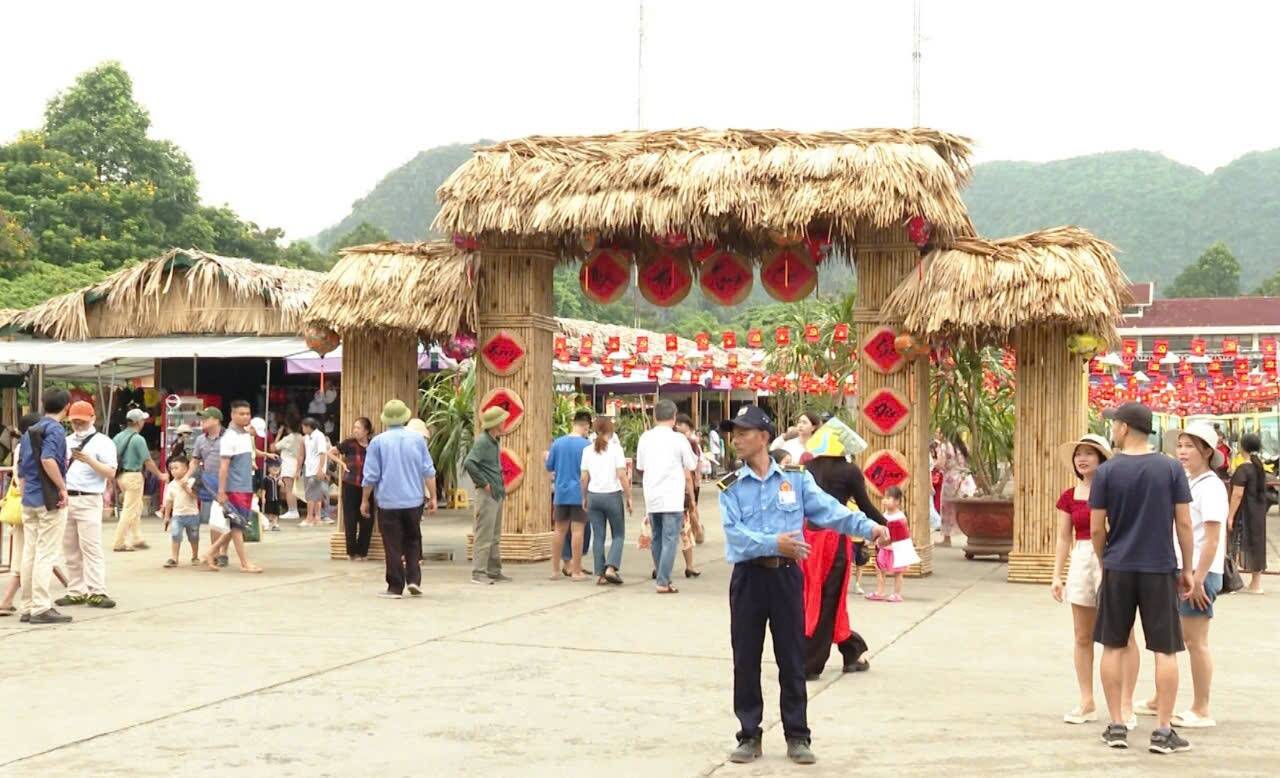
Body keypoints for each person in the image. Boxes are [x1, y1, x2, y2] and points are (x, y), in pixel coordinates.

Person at [719, 405, 890, 765]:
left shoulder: (796, 479)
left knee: (792, 657)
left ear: (764, 437)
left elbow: (831, 511)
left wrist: (868, 527)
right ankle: (749, 734)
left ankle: (798, 735)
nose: (736, 439)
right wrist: (772, 543)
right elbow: (735, 537)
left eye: (743, 432)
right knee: (745, 659)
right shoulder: (730, 487)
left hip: (785, 577)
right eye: (733, 433)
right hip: (748, 578)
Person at [1090, 402, 1194, 754]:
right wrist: (1188, 568)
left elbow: (1095, 528)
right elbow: (1183, 523)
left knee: (1113, 645)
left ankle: (1117, 724)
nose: (1112, 430)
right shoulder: (1170, 469)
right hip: (1159, 567)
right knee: (1165, 649)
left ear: (1123, 428)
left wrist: (1107, 560)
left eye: (1114, 424)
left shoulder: (1107, 472)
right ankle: (1163, 730)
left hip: (1119, 566)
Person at [1137, 422, 1228, 729]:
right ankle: (1158, 698)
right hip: (1180, 569)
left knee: (1195, 641)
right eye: (1181, 445)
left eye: (1190, 446)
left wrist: (1198, 577)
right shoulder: (1191, 482)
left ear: (1207, 451)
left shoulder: (1212, 486)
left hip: (1200, 573)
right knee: (1171, 637)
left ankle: (1202, 708)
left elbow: (1212, 537)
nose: (1183, 451)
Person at [1049, 434, 1140, 727]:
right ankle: (1086, 700)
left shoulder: (1116, 491)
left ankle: (1126, 704)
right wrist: (1056, 575)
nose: (1082, 458)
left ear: (1102, 459)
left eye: (1090, 453)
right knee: (1082, 635)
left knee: (1124, 635)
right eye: (1079, 454)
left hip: (1113, 557)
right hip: (1082, 559)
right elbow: (1064, 537)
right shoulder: (1068, 495)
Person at [799, 416, 883, 678]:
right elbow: (866, 507)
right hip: (834, 539)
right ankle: (811, 663)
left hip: (806, 538)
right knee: (829, 599)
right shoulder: (849, 471)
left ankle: (851, 649)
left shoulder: (807, 469)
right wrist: (888, 527)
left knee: (810, 596)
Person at [361, 400, 438, 599]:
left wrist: (365, 500)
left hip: (388, 502)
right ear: (405, 417)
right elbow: (428, 471)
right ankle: (414, 580)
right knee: (413, 540)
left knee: (392, 544)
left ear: (385, 419)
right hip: (414, 501)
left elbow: (370, 476)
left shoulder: (378, 442)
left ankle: (395, 587)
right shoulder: (418, 440)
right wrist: (434, 497)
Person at [55, 401, 118, 610]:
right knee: (70, 547)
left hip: (89, 498)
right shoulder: (65, 441)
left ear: (92, 418)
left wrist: (89, 460)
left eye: (82, 420)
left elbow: (110, 472)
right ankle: (76, 590)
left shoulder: (103, 442)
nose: (78, 424)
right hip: (67, 498)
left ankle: (97, 590)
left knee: (91, 547)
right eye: (74, 421)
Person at [18, 389, 73, 624]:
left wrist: (25, 494)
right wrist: (62, 488)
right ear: (67, 407)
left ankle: (27, 605)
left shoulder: (30, 430)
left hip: (29, 497)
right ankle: (41, 607)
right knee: (45, 553)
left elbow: (21, 467)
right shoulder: (55, 429)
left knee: (29, 552)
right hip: (48, 498)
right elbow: (48, 459)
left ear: (43, 404)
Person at [635, 399, 697, 594]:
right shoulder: (679, 439)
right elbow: (692, 464)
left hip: (652, 495)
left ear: (654, 416)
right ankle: (663, 580)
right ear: (674, 416)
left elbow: (640, 466)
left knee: (657, 537)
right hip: (672, 496)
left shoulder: (645, 437)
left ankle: (662, 575)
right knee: (670, 539)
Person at [201, 400, 264, 574]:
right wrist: (221, 491)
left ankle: (210, 552)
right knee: (237, 526)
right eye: (241, 413)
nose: (245, 416)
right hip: (235, 488)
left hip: (245, 486)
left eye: (248, 413)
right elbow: (223, 467)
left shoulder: (244, 434)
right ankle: (244, 562)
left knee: (236, 525)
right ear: (232, 415)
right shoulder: (229, 437)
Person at [464, 406, 510, 585]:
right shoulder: (483, 441)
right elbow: (469, 463)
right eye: (502, 421)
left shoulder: (493, 441)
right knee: (484, 534)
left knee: (494, 535)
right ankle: (479, 572)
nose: (505, 423)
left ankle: (494, 570)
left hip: (496, 494)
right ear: (496, 424)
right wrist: (484, 483)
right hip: (487, 494)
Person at [581, 416, 630, 585]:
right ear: (611, 430)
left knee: (599, 536)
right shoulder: (616, 450)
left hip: (594, 496)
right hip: (612, 496)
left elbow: (584, 477)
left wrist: (584, 497)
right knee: (618, 534)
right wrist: (629, 496)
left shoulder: (587, 450)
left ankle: (600, 574)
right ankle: (611, 568)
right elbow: (622, 475)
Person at [111, 407, 167, 552]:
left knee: (136, 506)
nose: (144, 422)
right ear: (137, 422)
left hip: (121, 475)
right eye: (142, 419)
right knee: (130, 509)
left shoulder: (118, 437)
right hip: (134, 476)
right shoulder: (138, 439)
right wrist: (160, 475)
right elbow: (147, 461)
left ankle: (137, 538)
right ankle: (119, 542)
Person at [547, 410, 593, 581]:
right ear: (586, 426)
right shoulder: (586, 446)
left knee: (559, 530)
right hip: (579, 494)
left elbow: (549, 466)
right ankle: (576, 571)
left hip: (560, 492)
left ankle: (555, 571)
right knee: (577, 531)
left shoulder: (557, 443)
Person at [328, 417, 375, 560]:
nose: (355, 430)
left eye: (358, 428)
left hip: (368, 486)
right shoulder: (349, 444)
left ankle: (363, 552)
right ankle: (351, 553)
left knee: (367, 520)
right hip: (350, 485)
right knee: (350, 519)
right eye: (354, 427)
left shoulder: (374, 445)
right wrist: (342, 464)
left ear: (366, 431)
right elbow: (330, 452)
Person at [1228, 432, 1268, 593]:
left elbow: (1237, 494)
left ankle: (1233, 582)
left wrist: (1230, 516)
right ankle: (1256, 584)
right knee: (1257, 544)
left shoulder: (1243, 468)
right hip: (1258, 512)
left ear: (1242, 446)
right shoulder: (1259, 467)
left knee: (1235, 543)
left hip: (1243, 513)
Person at [867, 486, 918, 603]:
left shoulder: (900, 517)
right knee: (879, 569)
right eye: (885, 497)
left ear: (897, 501)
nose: (885, 500)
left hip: (896, 549)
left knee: (898, 572)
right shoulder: (884, 515)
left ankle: (897, 594)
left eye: (888, 498)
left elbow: (903, 535)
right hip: (884, 548)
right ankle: (880, 592)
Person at [190, 408, 227, 567]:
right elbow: (195, 460)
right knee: (215, 519)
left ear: (217, 420)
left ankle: (221, 552)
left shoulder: (229, 438)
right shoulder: (200, 440)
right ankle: (217, 553)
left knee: (228, 520)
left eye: (206, 418)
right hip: (209, 482)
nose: (202, 420)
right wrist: (187, 476)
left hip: (229, 482)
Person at [161, 456, 200, 568]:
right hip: (178, 515)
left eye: (176, 468)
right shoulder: (171, 485)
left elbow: (195, 496)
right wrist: (167, 516)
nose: (173, 471)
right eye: (171, 468)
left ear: (186, 469)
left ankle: (195, 556)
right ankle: (174, 558)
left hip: (192, 514)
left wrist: (186, 488)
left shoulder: (191, 481)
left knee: (194, 536)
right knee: (175, 535)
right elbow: (169, 501)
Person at [933, 428, 968, 547]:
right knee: (964, 509)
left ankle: (947, 539)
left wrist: (934, 463)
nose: (936, 434)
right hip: (964, 479)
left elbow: (940, 464)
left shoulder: (944, 446)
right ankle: (969, 535)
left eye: (938, 432)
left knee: (947, 508)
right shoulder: (960, 445)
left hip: (950, 480)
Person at [676, 413, 705, 550]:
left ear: (687, 425)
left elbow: (696, 462)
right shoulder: (686, 440)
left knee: (691, 507)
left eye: (680, 424)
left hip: (690, 477)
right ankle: (697, 530)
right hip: (689, 477)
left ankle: (698, 530)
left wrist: (697, 478)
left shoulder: (690, 440)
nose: (677, 426)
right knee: (691, 507)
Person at [300, 417, 330, 527]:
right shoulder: (307, 438)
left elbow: (322, 453)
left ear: (308, 427)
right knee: (316, 494)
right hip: (309, 467)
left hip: (316, 469)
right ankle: (317, 518)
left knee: (311, 494)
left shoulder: (319, 436)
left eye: (303, 426)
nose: (302, 428)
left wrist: (320, 469)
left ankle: (309, 518)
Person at [273, 419, 301, 520]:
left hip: (288, 465)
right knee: (293, 489)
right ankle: (294, 510)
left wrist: (279, 434)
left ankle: (292, 511)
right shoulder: (301, 437)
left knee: (289, 490)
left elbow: (273, 448)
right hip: (297, 464)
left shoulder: (288, 438)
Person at [261, 461, 285, 532]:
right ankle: (267, 523)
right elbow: (263, 489)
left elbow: (283, 489)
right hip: (269, 498)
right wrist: (263, 497)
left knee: (276, 512)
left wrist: (282, 483)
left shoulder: (278, 479)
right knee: (269, 512)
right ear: (268, 469)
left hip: (277, 499)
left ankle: (275, 524)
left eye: (277, 468)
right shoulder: (266, 479)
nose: (275, 469)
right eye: (273, 467)